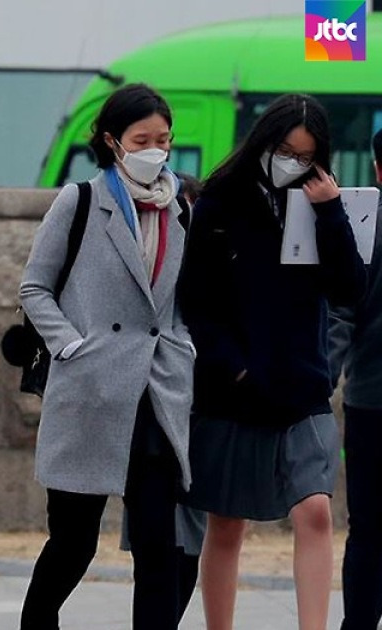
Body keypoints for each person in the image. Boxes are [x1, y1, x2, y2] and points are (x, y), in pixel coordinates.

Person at [180, 94, 366, 630]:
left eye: (305, 156)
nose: (292, 162)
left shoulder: (321, 202)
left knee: (315, 510)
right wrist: (233, 368)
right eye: (284, 150)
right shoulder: (219, 204)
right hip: (232, 389)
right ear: (264, 142)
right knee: (227, 522)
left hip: (303, 386)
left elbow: (349, 287)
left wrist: (330, 212)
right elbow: (196, 302)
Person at [18, 83, 195, 629]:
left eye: (163, 140)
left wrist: (182, 346)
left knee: (159, 546)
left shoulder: (180, 206)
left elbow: (180, 298)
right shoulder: (80, 201)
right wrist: (72, 345)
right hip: (91, 390)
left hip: (158, 392)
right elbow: (34, 288)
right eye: (142, 139)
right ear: (113, 141)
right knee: (73, 543)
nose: (155, 150)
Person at [115, 170, 207, 625]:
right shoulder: (144, 252)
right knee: (155, 545)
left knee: (189, 542)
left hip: (199, 413)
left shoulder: (203, 256)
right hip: (151, 417)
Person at [328, 128, 382, 630]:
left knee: (365, 529)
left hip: (370, 401)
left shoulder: (366, 224)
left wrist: (322, 380)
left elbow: (343, 310)